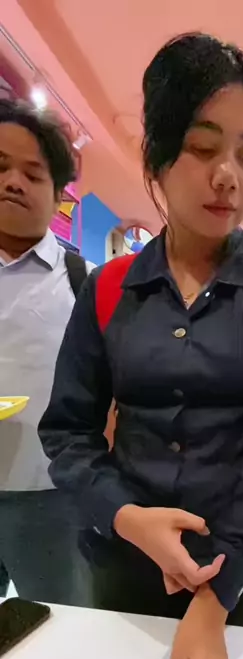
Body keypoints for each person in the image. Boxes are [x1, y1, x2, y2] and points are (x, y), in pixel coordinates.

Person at [39, 33, 243, 659]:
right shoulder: (107, 289)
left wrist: (215, 596)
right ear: (158, 157)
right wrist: (127, 516)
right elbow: (67, 433)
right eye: (202, 148)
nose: (229, 176)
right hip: (124, 564)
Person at [0, 98, 94, 605]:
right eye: (1, 167)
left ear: (59, 195)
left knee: (63, 622)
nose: (13, 182)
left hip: (50, 496)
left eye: (32, 174)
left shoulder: (84, 282)